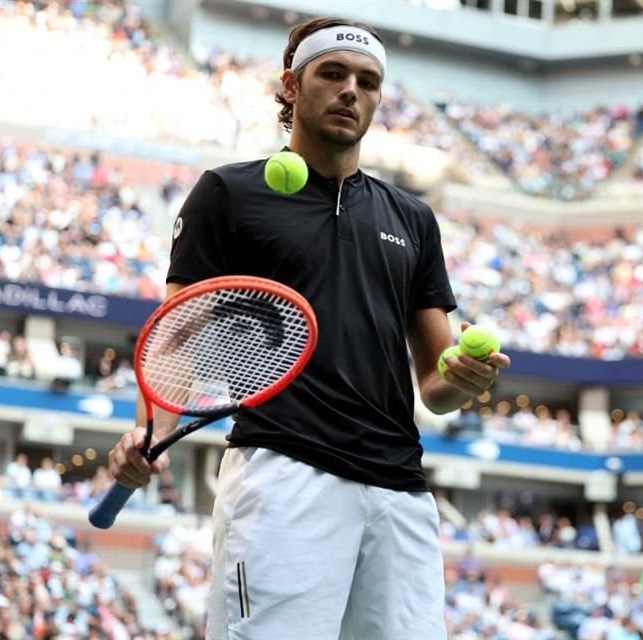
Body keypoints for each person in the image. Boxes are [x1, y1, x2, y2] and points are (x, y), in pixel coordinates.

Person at [105, 16, 509, 640]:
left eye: (368, 81)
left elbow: (435, 386)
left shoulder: (413, 219)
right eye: (333, 73)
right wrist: (147, 433)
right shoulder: (227, 194)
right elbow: (177, 337)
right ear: (291, 85)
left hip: (400, 490)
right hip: (284, 474)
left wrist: (465, 377)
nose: (352, 89)